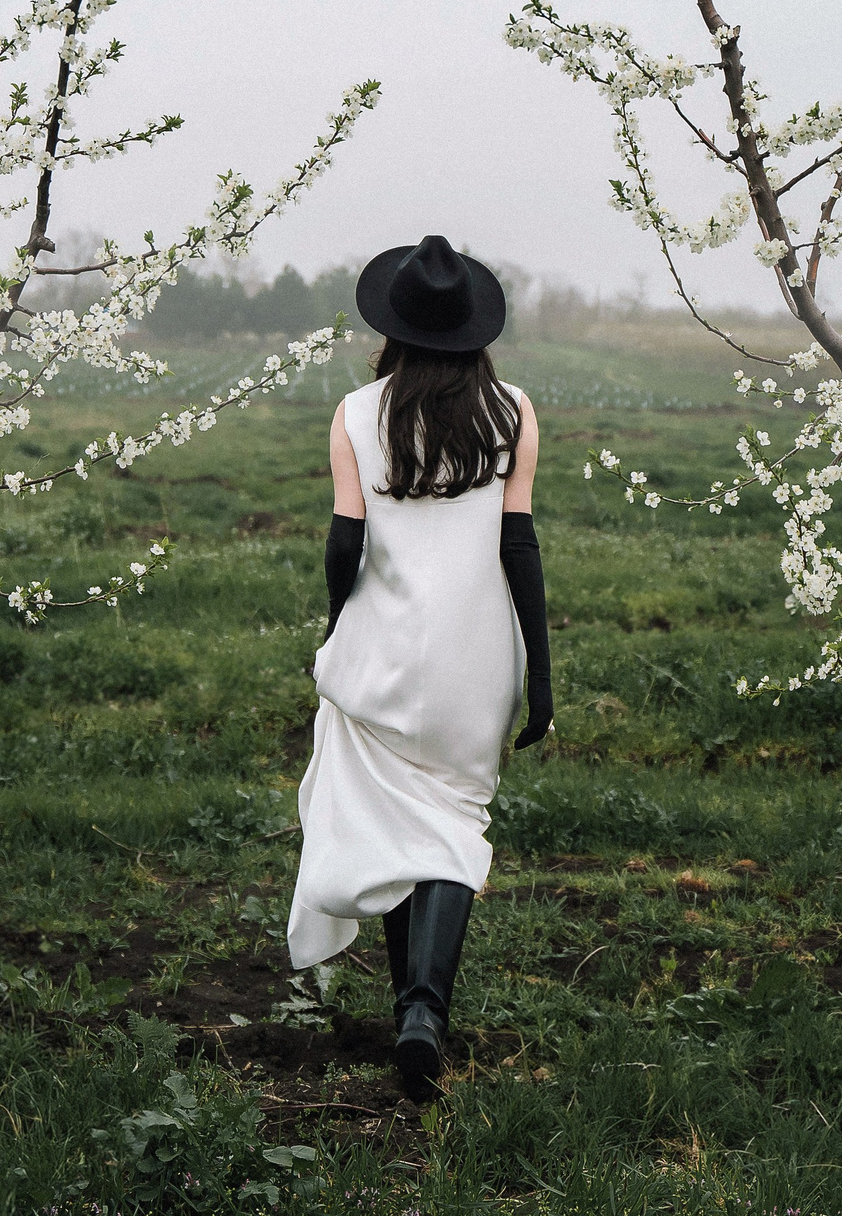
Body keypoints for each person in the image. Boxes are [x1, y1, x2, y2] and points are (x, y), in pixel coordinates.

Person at [285, 235, 555, 1101]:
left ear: (392, 326)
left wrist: (340, 633)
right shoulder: (513, 412)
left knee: (404, 817)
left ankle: (415, 1009)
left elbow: (344, 545)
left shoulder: (357, 414)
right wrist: (541, 672)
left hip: (388, 647)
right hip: (478, 659)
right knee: (452, 820)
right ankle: (421, 1013)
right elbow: (520, 546)